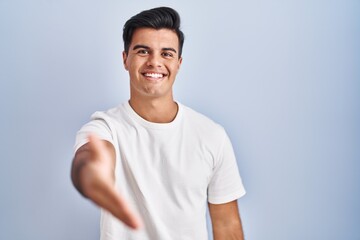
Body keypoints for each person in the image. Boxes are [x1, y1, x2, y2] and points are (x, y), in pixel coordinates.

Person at [71, 6, 246, 240]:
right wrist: (95, 175)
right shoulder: (104, 127)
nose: (155, 62)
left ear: (179, 63)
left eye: (166, 53)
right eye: (143, 51)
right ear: (125, 59)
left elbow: (226, 223)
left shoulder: (211, 135)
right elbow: (90, 158)